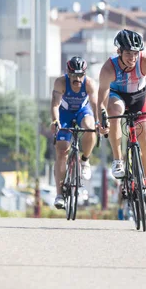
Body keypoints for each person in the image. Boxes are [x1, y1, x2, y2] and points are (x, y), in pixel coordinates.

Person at [97, 29, 146, 217]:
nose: (132, 58)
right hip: (116, 97)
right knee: (115, 111)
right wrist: (101, 120)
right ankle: (118, 160)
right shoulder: (108, 68)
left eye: (135, 53)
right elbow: (101, 97)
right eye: (128, 53)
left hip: (140, 97)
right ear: (119, 51)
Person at [50, 56, 98, 209]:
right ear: (68, 74)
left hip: (82, 111)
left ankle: (85, 160)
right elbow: (55, 104)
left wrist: (99, 123)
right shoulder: (60, 82)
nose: (77, 79)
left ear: (84, 74)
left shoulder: (89, 83)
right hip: (64, 113)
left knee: (90, 127)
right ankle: (59, 194)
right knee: (62, 149)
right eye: (73, 75)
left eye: (80, 75)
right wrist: (55, 121)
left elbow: (95, 104)